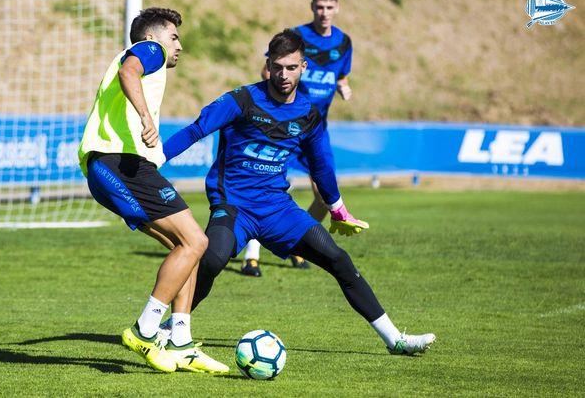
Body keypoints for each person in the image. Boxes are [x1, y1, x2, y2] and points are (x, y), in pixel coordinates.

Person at [158, 29, 436, 356]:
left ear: (303, 67)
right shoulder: (241, 100)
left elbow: (321, 166)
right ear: (268, 66)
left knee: (339, 260)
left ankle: (395, 339)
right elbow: (196, 130)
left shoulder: (308, 114)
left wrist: (337, 208)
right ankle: (168, 329)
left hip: (278, 210)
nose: (284, 75)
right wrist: (155, 160)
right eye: (277, 67)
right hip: (234, 206)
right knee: (212, 260)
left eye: (291, 67)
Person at [77, 7, 228, 374]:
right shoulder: (150, 50)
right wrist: (146, 118)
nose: (179, 45)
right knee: (196, 241)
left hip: (118, 166)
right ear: (153, 37)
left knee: (188, 249)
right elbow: (129, 71)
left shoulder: (145, 57)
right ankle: (144, 330)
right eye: (174, 36)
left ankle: (181, 342)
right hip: (119, 163)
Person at [242, 0, 354, 276]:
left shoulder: (344, 43)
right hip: (285, 126)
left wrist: (343, 87)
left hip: (316, 130)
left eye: (329, 7)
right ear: (312, 7)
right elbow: (268, 70)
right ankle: (251, 257)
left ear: (337, 8)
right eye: (320, 7)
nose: (324, 12)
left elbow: (341, 76)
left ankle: (297, 243)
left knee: (324, 198)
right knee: (263, 188)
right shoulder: (297, 37)